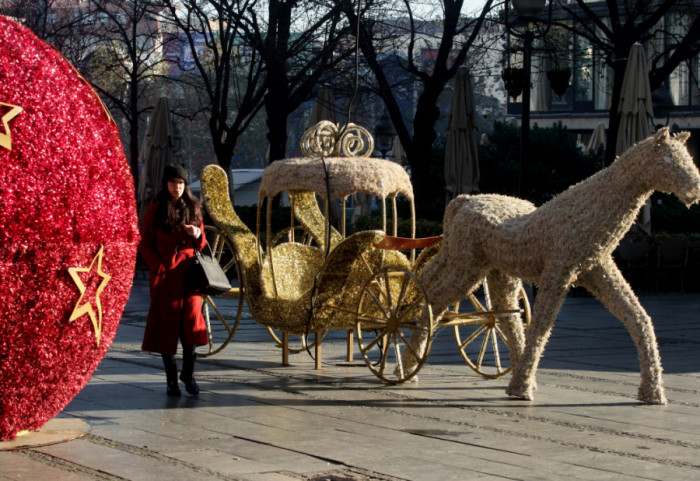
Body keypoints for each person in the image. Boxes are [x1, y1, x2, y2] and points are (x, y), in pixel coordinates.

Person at [139, 163, 207, 396]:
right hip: (166, 274)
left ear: (185, 185)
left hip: (189, 274)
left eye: (180, 183)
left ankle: (188, 375)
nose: (176, 187)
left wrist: (197, 234)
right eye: (172, 183)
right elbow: (146, 243)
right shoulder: (155, 210)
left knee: (191, 324)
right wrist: (158, 267)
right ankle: (171, 381)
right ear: (166, 184)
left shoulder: (194, 207)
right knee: (166, 327)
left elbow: (203, 243)